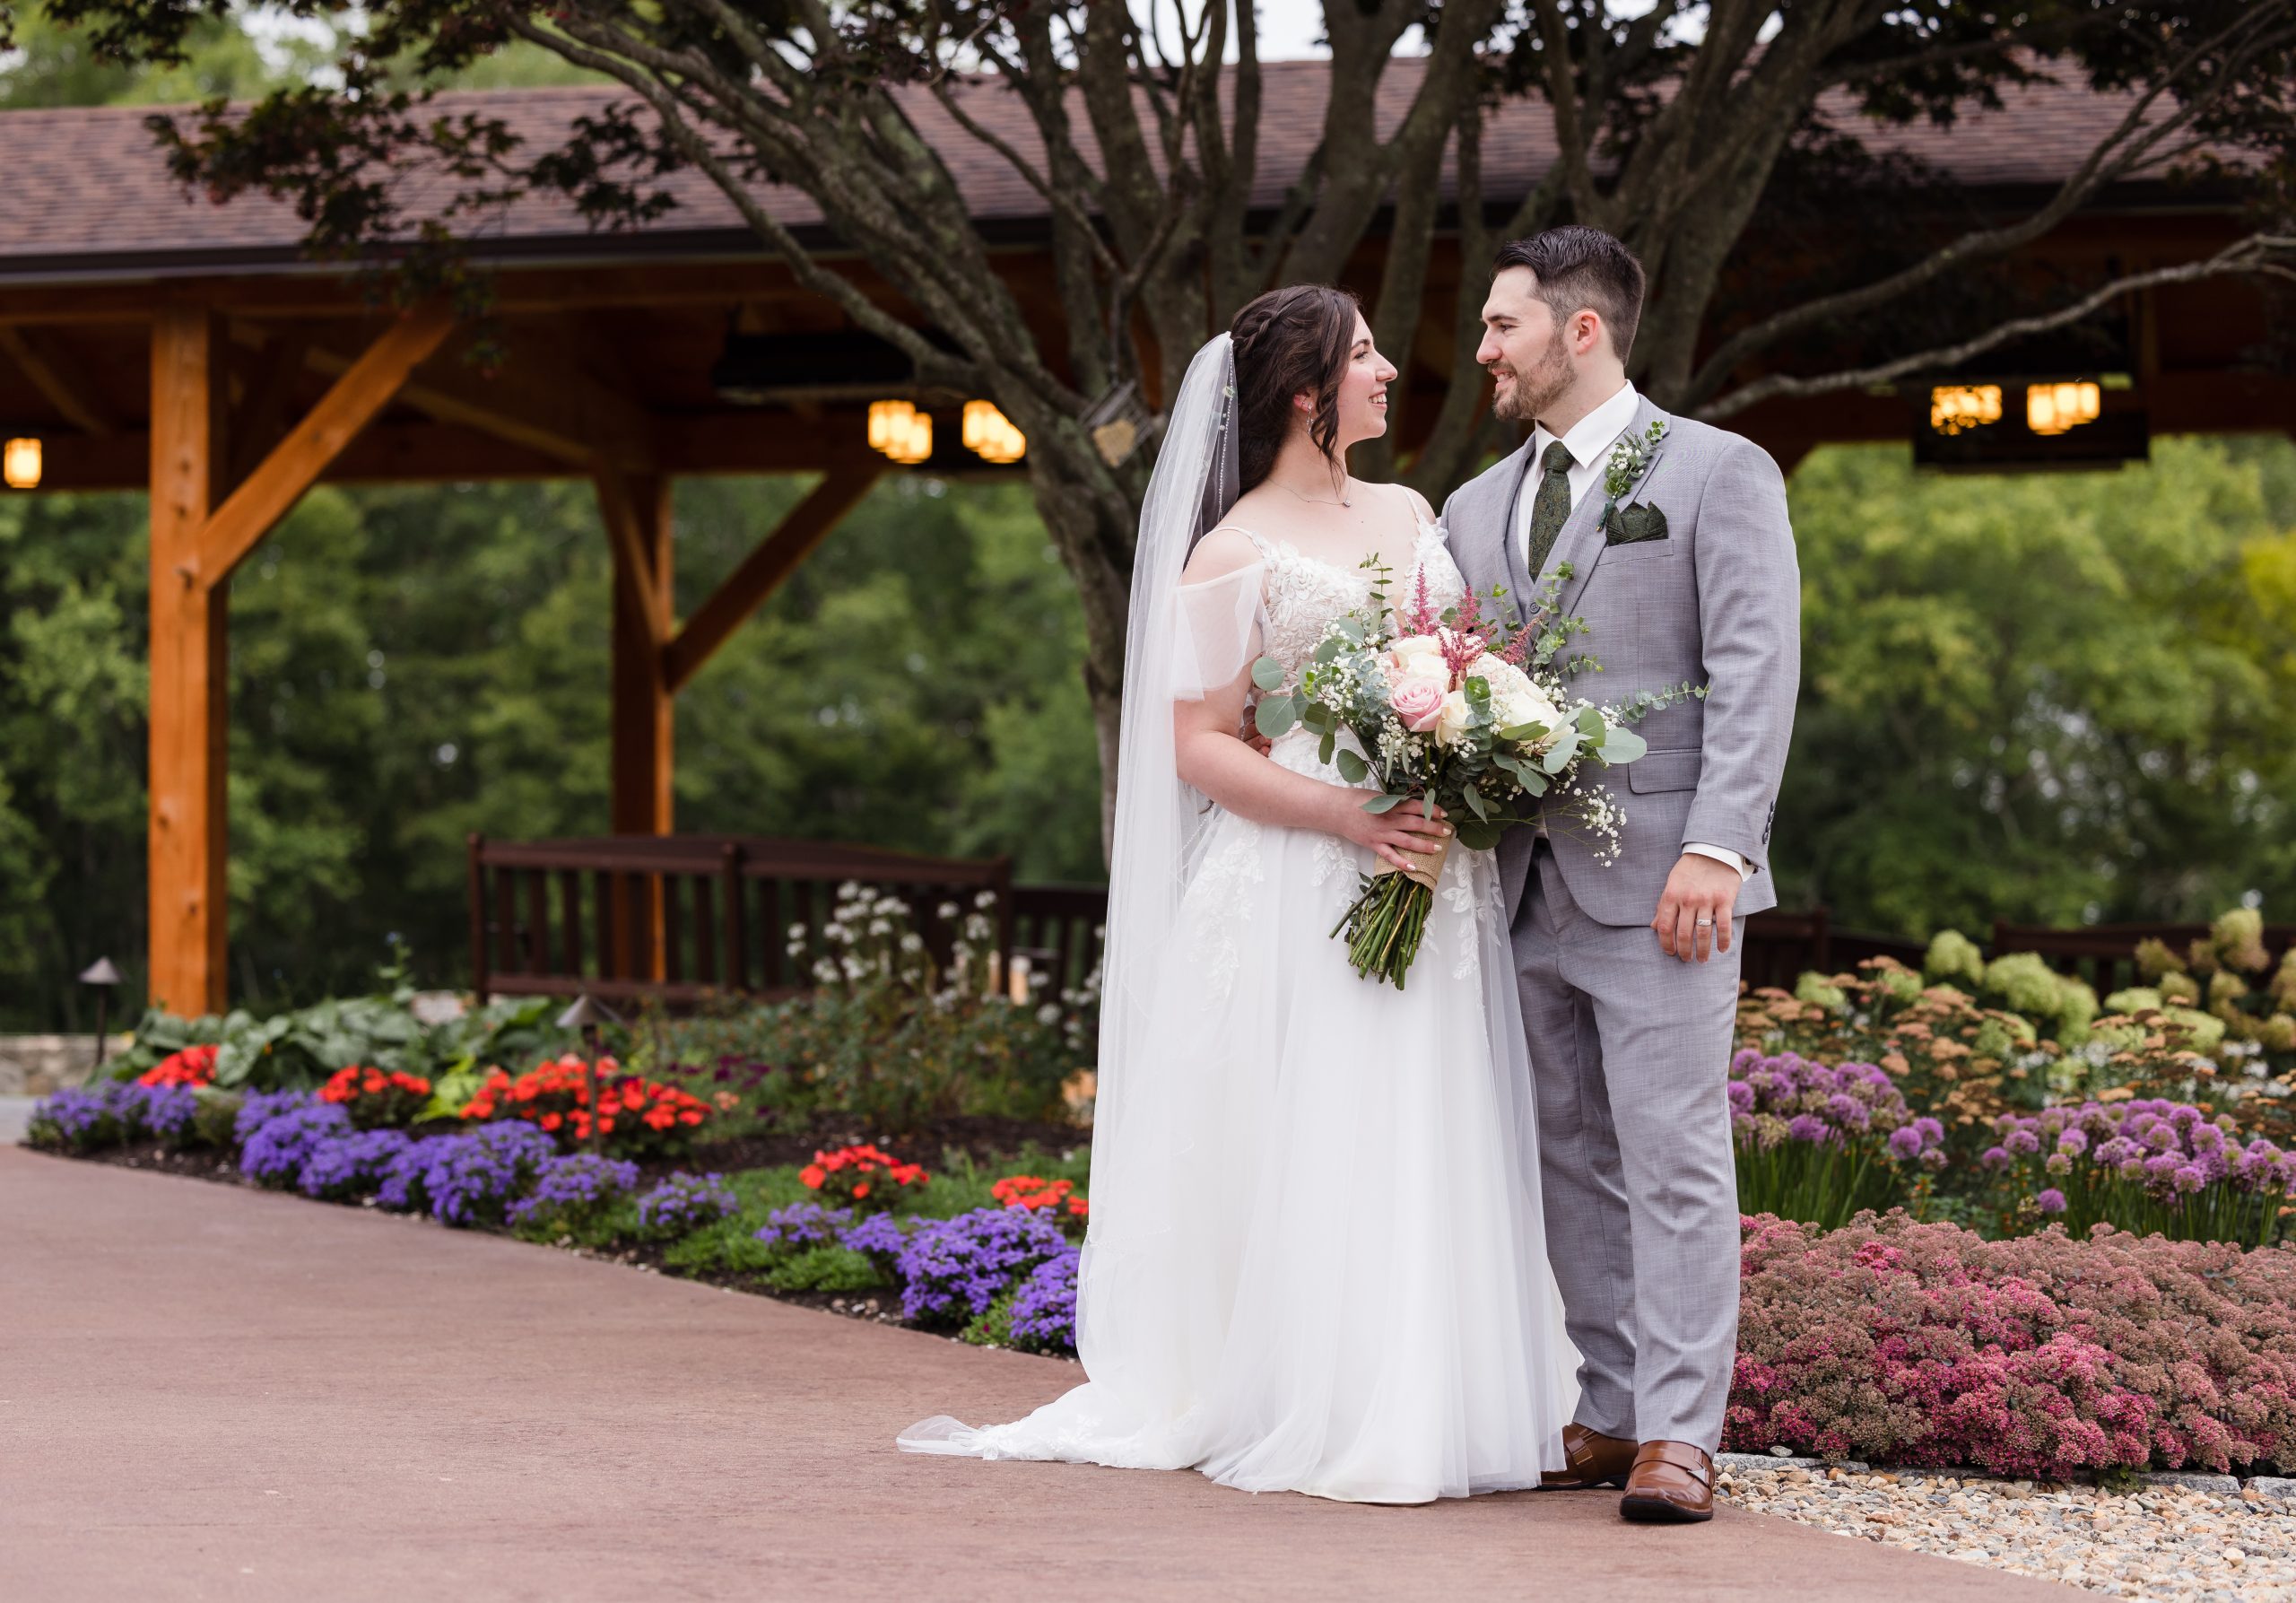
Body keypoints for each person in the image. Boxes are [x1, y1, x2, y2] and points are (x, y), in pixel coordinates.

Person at [899, 284, 1575, 1503]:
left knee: (1421, 1116)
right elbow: (1197, 742)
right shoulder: (1232, 549)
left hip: (1427, 863)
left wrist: (1464, 754)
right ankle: (1287, 1392)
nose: (1385, 372)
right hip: (1299, 869)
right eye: (1365, 358)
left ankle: (1424, 1393)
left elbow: (1450, 660)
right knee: (1308, 1121)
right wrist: (1346, 814)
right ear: (1309, 396)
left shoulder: (1414, 509)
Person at [1442, 226, 1801, 1521]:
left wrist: (1719, 843)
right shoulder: (1472, 509)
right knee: (1566, 1155)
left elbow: (1759, 667)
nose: (1482, 349)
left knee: (1675, 1154)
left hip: (1666, 879)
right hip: (1520, 879)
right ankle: (1611, 1406)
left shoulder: (1718, 472)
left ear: (1578, 331)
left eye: (1502, 326)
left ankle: (1683, 1436)